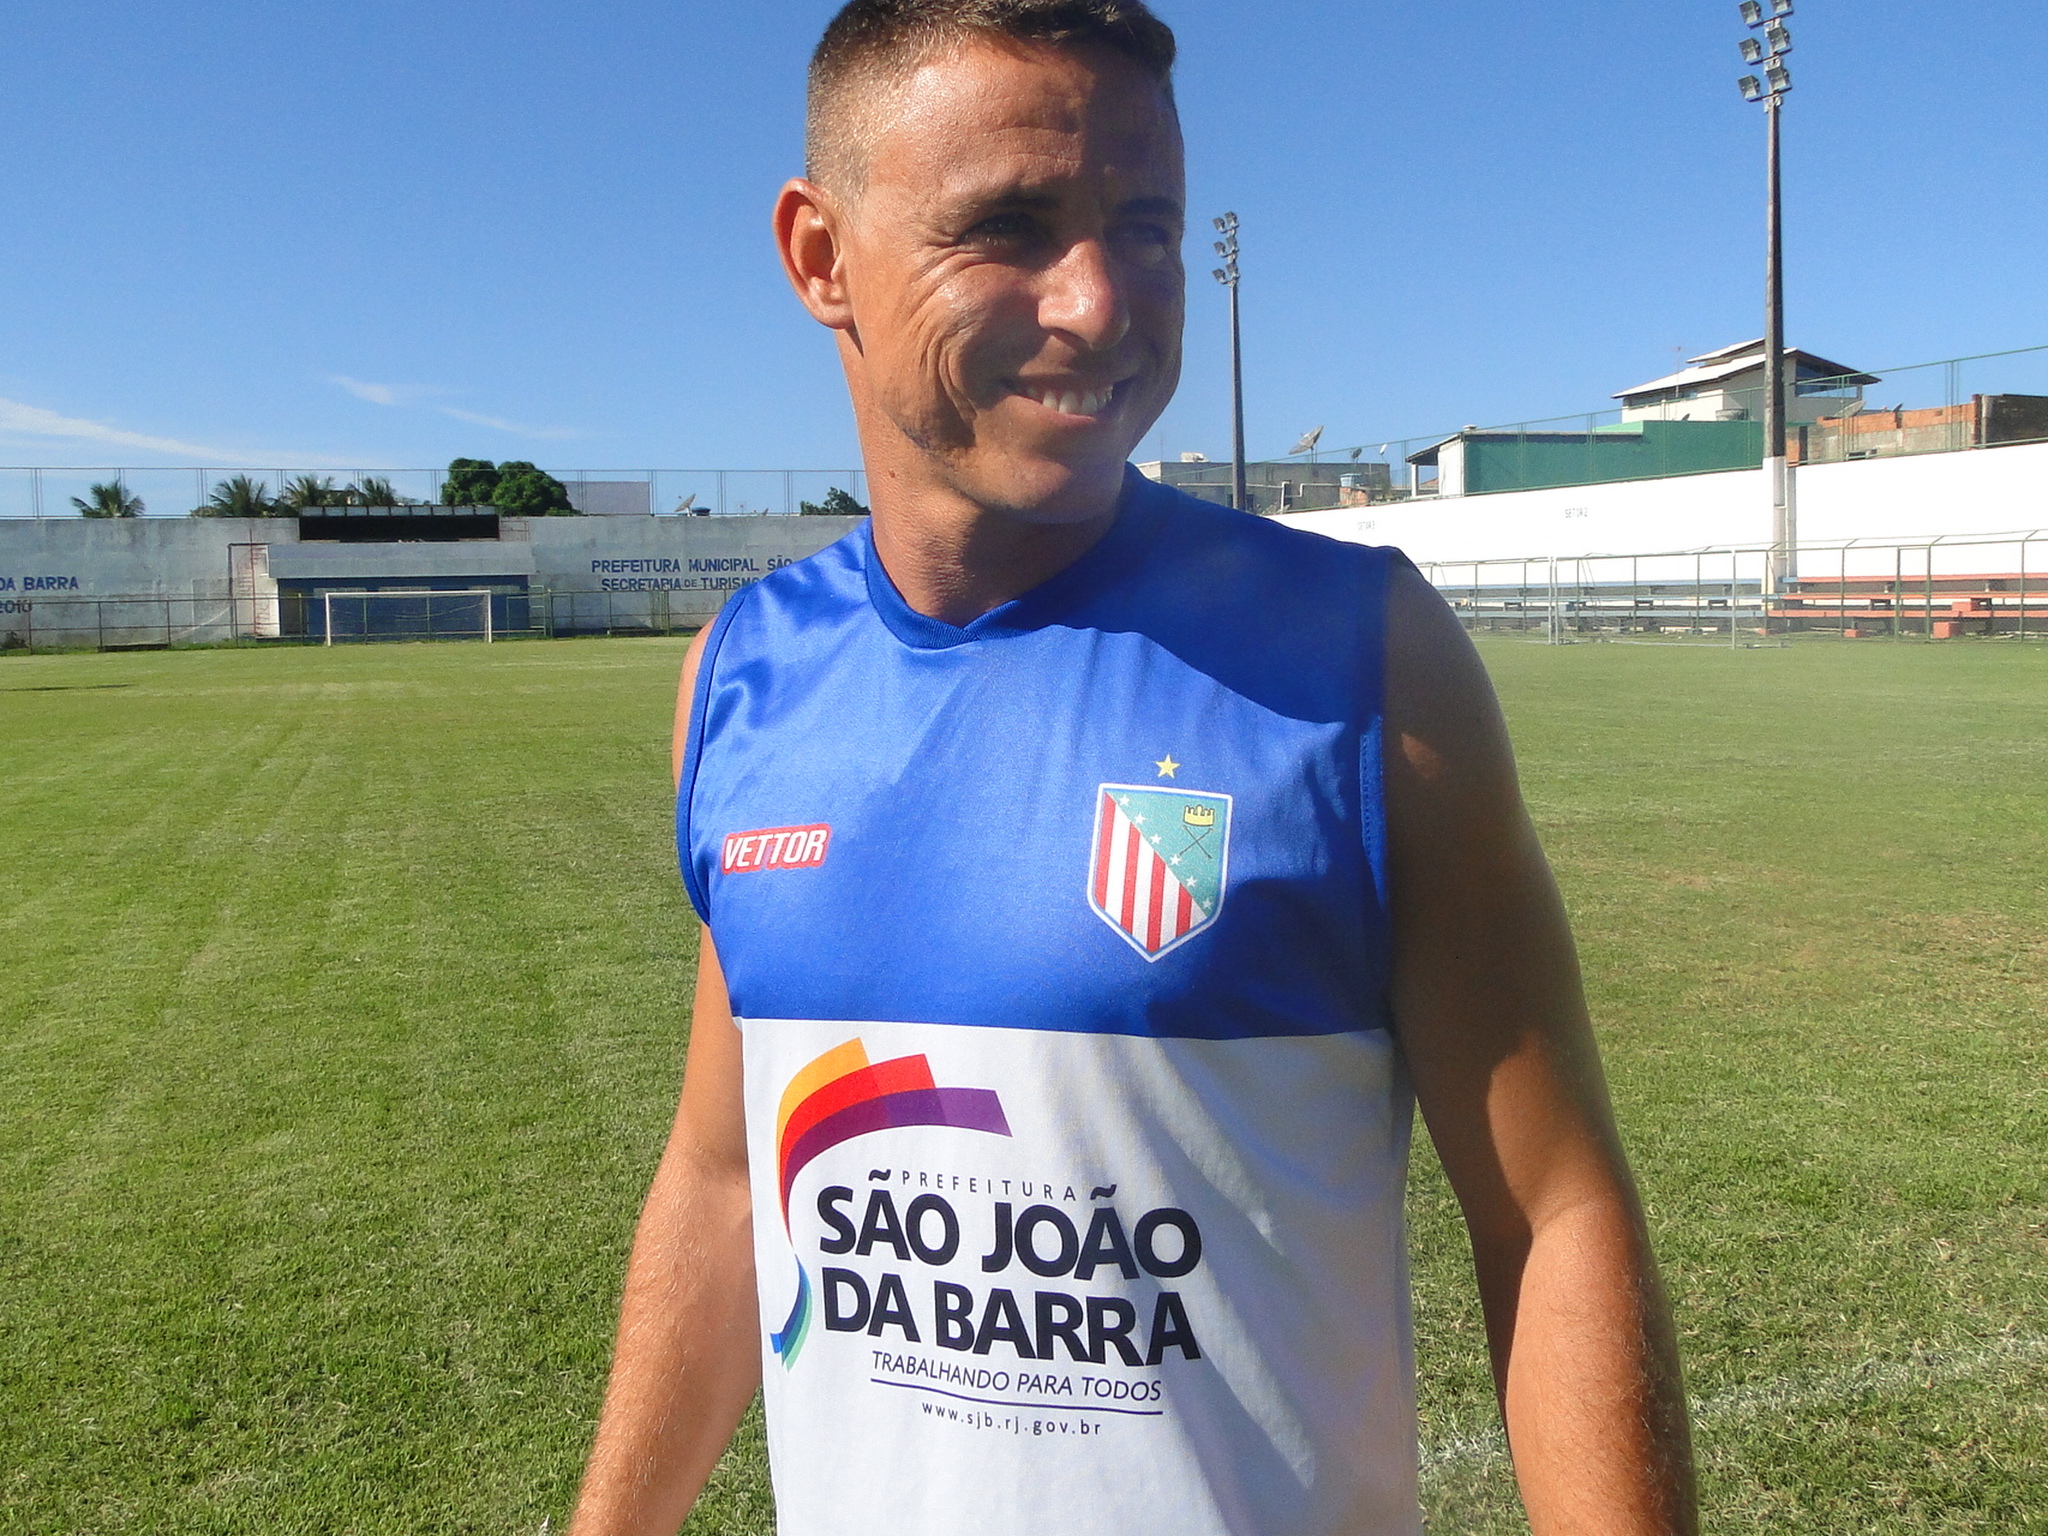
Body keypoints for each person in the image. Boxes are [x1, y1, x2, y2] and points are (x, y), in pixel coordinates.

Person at [569, 1, 1696, 1531]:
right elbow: (719, 1183)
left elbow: (1553, 1213)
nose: (1101, 302)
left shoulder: (1363, 661)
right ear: (822, 257)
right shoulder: (746, 677)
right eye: (1011, 228)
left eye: (1147, 228)